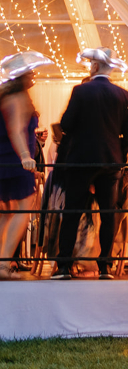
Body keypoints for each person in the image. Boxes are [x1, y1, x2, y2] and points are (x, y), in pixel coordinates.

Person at [52, 48, 128, 280]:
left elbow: (66, 123)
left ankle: (64, 265)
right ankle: (105, 266)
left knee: (72, 211)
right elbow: (127, 133)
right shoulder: (123, 95)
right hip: (110, 161)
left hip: (81, 161)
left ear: (95, 67)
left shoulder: (81, 91)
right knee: (108, 214)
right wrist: (121, 159)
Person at [0, 52, 52, 279]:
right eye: (30, 72)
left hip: (7, 159)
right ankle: (3, 264)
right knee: (24, 209)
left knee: (6, 213)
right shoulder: (17, 97)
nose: (33, 75)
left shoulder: (9, 96)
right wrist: (24, 156)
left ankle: (2, 262)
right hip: (14, 161)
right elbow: (15, 129)